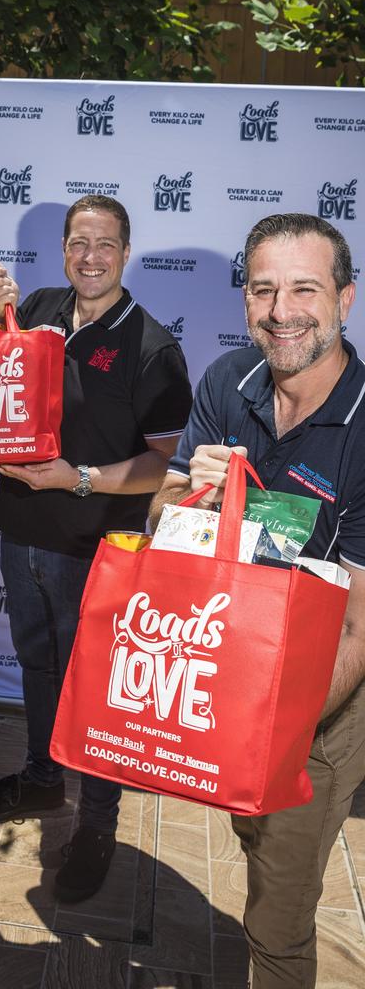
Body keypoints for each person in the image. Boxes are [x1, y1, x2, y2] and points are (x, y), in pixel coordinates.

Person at [149, 212, 365, 988]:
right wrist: (190, 498)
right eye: (264, 290)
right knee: (254, 836)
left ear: (344, 297)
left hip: (320, 703)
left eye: (305, 288)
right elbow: (161, 525)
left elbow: (358, 629)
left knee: (278, 916)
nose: (282, 311)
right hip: (226, 669)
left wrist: (264, 736)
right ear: (244, 301)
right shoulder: (224, 382)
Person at [0, 195, 193, 902]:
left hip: (97, 545)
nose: (89, 256)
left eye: (104, 244)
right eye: (77, 243)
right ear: (64, 250)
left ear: (125, 253)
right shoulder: (35, 307)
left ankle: (98, 824)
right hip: (22, 532)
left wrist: (82, 479)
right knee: (37, 665)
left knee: (95, 690)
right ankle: (41, 777)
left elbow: (163, 465)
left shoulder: (153, 346)